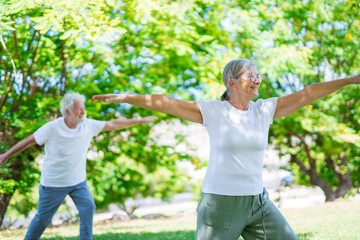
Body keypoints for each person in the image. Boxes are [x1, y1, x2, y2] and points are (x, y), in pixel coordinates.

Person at [92, 59, 359, 240]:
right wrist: (126, 97)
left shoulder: (264, 109)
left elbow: (308, 93)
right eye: (250, 75)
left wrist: (351, 79)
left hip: (258, 201)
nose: (257, 79)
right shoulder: (213, 111)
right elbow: (166, 103)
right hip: (220, 203)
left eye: (258, 75)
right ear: (232, 83)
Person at [0, 92, 157, 240]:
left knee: (88, 207)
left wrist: (139, 121)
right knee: (42, 219)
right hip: (53, 183)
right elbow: (28, 141)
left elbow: (113, 124)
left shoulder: (88, 125)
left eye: (83, 108)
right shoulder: (52, 127)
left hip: (77, 182)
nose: (83, 112)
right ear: (68, 111)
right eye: (78, 109)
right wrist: (6, 155)